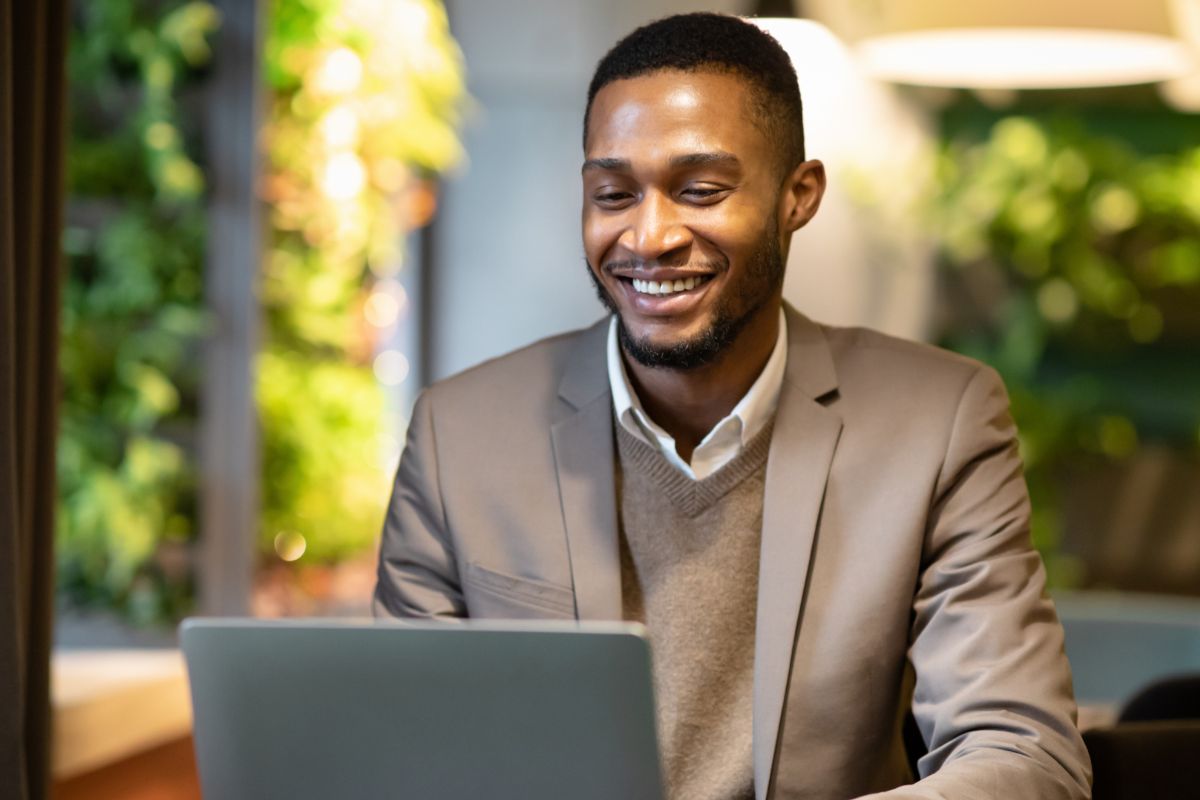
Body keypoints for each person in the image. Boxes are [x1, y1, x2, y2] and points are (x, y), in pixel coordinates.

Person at [373, 12, 1091, 800]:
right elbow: (403, 752)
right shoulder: (460, 435)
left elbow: (1025, 755)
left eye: (701, 191)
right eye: (613, 194)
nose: (649, 237)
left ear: (799, 196)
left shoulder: (939, 423)